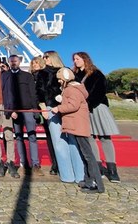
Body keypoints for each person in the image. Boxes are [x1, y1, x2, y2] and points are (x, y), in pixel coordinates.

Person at [51, 67, 105, 193]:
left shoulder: (71, 89)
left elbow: (73, 105)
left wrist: (58, 108)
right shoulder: (75, 88)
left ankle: (97, 184)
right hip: (77, 125)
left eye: (60, 79)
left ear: (65, 78)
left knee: (87, 155)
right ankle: (88, 180)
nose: (59, 82)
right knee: (84, 154)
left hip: (78, 125)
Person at [36, 51, 84, 183]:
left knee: (73, 140)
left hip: (68, 109)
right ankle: (67, 174)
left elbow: (76, 88)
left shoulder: (66, 71)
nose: (44, 59)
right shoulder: (42, 73)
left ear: (51, 58)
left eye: (45, 57)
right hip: (51, 108)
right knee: (58, 141)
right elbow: (39, 93)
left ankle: (80, 174)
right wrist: (43, 108)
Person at [73, 51, 121, 183]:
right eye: (74, 59)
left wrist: (89, 103)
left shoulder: (96, 74)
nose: (75, 61)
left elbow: (100, 90)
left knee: (105, 137)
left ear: (84, 59)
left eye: (77, 59)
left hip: (97, 107)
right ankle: (98, 167)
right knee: (90, 138)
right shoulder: (76, 76)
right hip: (84, 110)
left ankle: (112, 170)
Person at [9, 54, 44, 176]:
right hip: (15, 112)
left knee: (32, 137)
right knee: (19, 137)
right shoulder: (7, 76)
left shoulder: (27, 76)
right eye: (11, 61)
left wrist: (35, 109)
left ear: (19, 62)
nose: (13, 63)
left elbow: (32, 93)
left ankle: (35, 163)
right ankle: (24, 163)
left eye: (15, 61)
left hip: (28, 110)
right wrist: (10, 110)